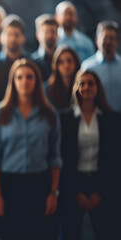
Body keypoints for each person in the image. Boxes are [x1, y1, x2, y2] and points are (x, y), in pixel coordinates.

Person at [0, 59, 62, 239]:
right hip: (10, 186)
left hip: (40, 185)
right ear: (13, 81)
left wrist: (53, 192)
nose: (24, 81)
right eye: (19, 77)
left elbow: (55, 157)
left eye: (29, 77)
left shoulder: (49, 113)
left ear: (36, 81)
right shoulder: (1, 112)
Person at [59, 70, 121, 239]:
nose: (86, 87)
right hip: (73, 183)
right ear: (76, 88)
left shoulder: (112, 119)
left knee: (107, 233)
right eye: (82, 83)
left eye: (91, 83)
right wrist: (76, 191)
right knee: (70, 233)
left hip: (101, 183)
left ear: (98, 88)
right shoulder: (65, 119)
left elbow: (114, 160)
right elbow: (62, 159)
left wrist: (100, 191)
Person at [0, 14, 30, 107]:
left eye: (16, 35)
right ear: (1, 37)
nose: (13, 39)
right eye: (9, 34)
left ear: (23, 38)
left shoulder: (32, 64)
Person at [82, 20, 121, 114]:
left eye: (111, 38)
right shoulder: (87, 67)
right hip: (97, 119)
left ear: (116, 41)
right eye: (105, 37)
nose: (108, 41)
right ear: (97, 40)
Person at [32, 14, 59, 81]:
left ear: (57, 34)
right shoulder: (32, 61)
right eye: (46, 32)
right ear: (38, 35)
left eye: (53, 32)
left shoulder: (64, 59)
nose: (50, 35)